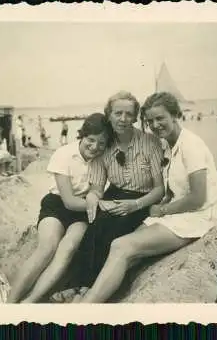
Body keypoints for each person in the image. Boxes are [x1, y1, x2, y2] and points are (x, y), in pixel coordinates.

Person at [77, 92, 217, 303]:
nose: (155, 125)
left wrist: (161, 210)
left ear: (175, 115)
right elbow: (173, 187)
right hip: (177, 211)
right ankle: (94, 292)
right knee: (120, 246)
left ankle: (87, 305)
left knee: (121, 246)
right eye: (150, 120)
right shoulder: (170, 144)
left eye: (160, 118)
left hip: (196, 217)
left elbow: (199, 197)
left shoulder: (191, 145)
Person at [7, 113, 113, 303]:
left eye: (102, 143)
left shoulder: (102, 159)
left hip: (83, 211)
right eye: (91, 140)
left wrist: (95, 197)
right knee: (48, 247)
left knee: (68, 247)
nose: (95, 147)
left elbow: (97, 189)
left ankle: (30, 300)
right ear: (82, 135)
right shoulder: (64, 154)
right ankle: (9, 303)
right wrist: (103, 205)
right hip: (58, 204)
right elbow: (69, 202)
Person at [71, 91, 165, 302]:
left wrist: (135, 205)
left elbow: (159, 189)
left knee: (115, 229)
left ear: (135, 117)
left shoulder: (150, 142)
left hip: (143, 197)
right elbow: (96, 187)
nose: (123, 119)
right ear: (109, 115)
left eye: (129, 114)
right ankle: (80, 285)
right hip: (114, 194)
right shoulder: (104, 144)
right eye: (118, 113)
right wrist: (94, 198)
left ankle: (96, 289)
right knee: (94, 224)